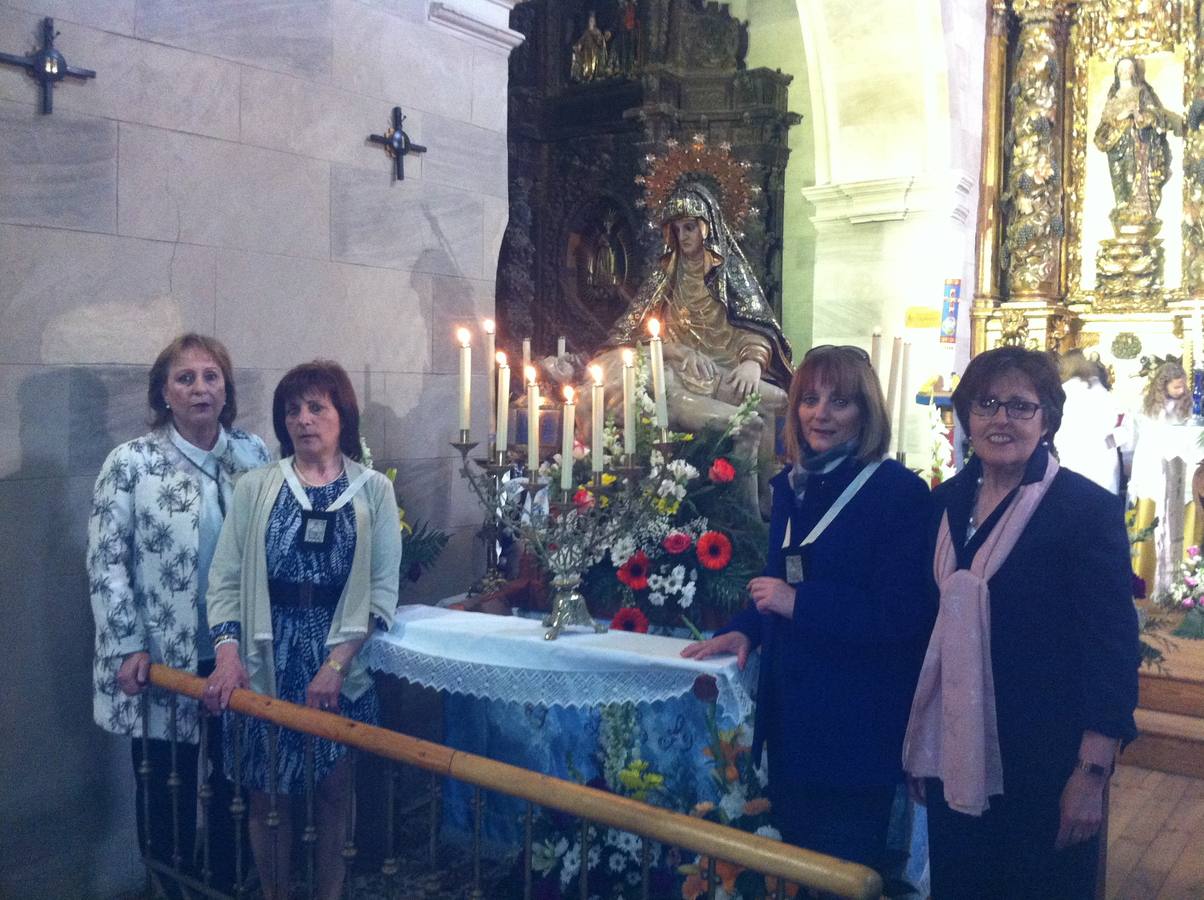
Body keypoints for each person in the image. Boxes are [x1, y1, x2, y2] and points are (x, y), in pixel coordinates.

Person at [682, 345, 934, 870]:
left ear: (866, 413)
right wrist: (746, 630)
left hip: (856, 726)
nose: (820, 414)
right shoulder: (794, 484)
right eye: (810, 399)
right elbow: (781, 580)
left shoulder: (897, 493)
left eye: (840, 401)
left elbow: (902, 615)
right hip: (792, 718)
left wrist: (802, 604)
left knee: (841, 871)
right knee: (793, 868)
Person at [904, 347, 1139, 899]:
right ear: (966, 415)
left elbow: (1111, 648)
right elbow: (924, 631)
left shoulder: (1084, 511)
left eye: (1019, 406)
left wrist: (1091, 772)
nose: (1001, 419)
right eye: (987, 404)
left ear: (1047, 419)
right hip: (954, 753)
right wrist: (922, 737)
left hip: (1046, 765)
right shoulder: (944, 503)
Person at [202, 360, 401, 900]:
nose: (303, 420)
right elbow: (224, 580)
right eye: (293, 409)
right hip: (267, 651)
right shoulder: (256, 487)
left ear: (343, 414)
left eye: (317, 407)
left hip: (341, 655)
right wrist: (226, 654)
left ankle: (330, 893)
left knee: (335, 788)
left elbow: (382, 590)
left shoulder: (373, 491)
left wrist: (336, 664)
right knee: (267, 795)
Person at [88, 333, 270, 893]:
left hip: (234, 658)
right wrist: (125, 644)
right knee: (166, 791)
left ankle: (225, 886)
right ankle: (172, 888)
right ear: (163, 393)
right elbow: (106, 559)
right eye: (185, 378)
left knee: (235, 788)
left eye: (211, 376)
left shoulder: (253, 454)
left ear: (226, 388)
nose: (200, 388)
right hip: (163, 663)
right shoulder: (130, 464)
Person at [599, 183, 794, 509]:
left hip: (725, 369)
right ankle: (744, 508)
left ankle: (768, 493)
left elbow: (757, 325)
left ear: (708, 227)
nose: (683, 236)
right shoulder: (666, 275)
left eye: (690, 227)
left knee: (779, 400)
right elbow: (629, 336)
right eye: (677, 229)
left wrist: (752, 362)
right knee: (748, 422)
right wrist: (674, 351)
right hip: (680, 374)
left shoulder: (728, 270)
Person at [1128, 360, 1198, 594]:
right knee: (1151, 526)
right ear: (1163, 385)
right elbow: (1135, 441)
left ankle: (1184, 587)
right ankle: (1145, 581)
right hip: (1152, 474)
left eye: (1183, 387)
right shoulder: (1144, 410)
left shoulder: (1192, 410)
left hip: (1183, 479)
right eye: (1176, 387)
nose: (1181, 391)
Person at [1094, 56, 1183, 228]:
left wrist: (1138, 116)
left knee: (1132, 173)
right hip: (1114, 143)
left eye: (1128, 69)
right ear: (1117, 72)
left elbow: (1152, 113)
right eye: (1121, 68)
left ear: (1134, 72)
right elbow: (1105, 122)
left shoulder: (1141, 92)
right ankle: (1121, 206)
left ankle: (1135, 209)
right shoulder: (1113, 97)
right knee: (1118, 175)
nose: (1125, 72)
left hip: (1135, 142)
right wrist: (1121, 116)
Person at [1056, 350, 1129, 495]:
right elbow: (1123, 431)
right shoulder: (1105, 394)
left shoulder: (1062, 393)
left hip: (1071, 457)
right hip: (1103, 462)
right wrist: (1107, 444)